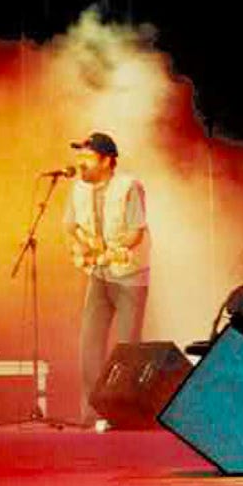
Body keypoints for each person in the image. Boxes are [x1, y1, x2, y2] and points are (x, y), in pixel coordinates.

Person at [63, 133, 150, 427]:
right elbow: (70, 227)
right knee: (89, 342)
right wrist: (79, 248)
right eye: (79, 158)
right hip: (98, 275)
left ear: (106, 160)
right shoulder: (78, 190)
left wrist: (111, 250)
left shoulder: (129, 187)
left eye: (87, 158)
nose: (81, 164)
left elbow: (136, 231)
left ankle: (124, 412)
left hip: (129, 276)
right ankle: (92, 412)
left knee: (127, 347)